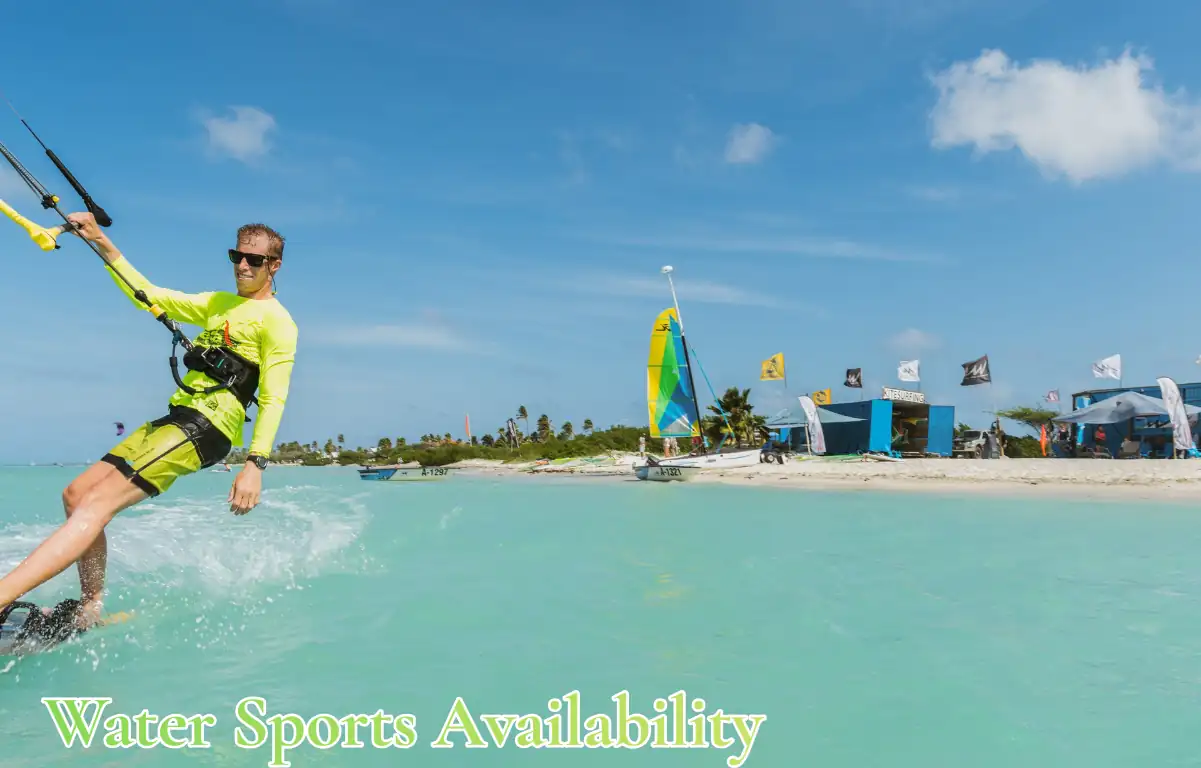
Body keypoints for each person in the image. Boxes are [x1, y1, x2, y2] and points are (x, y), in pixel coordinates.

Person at [0, 213, 298, 632]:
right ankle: (91, 607)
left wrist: (255, 463)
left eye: (255, 260)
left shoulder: (280, 323)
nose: (243, 266)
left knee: (96, 504)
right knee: (77, 494)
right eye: (237, 256)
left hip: (209, 425)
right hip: (178, 416)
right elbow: (148, 295)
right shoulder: (218, 303)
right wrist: (102, 242)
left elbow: (274, 397)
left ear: (274, 266)